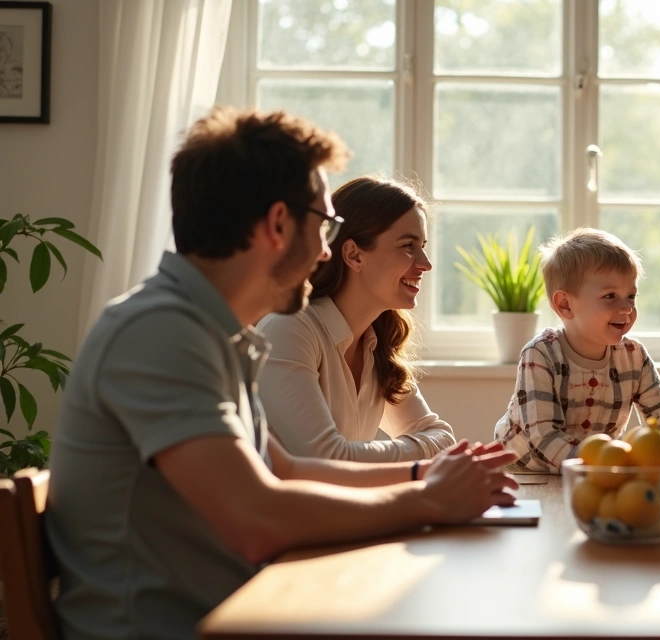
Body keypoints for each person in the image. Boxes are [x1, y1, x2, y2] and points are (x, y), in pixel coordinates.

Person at [46, 107, 518, 640]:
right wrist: (427, 499)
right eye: (325, 226)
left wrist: (422, 477)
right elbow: (255, 518)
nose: (325, 250)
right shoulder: (159, 332)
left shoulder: (211, 332)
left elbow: (290, 471)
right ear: (277, 224)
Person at [257, 176, 457, 461]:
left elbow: (441, 436)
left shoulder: (377, 342)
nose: (425, 263)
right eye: (408, 246)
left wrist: (360, 454)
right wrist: (415, 453)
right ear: (354, 255)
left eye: (422, 245)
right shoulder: (290, 329)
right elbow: (326, 458)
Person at [493, 228, 660, 471]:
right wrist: (605, 463)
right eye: (611, 296)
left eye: (631, 296)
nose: (626, 307)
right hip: (523, 472)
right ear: (565, 305)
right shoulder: (540, 355)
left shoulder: (634, 356)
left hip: (594, 471)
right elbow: (544, 438)